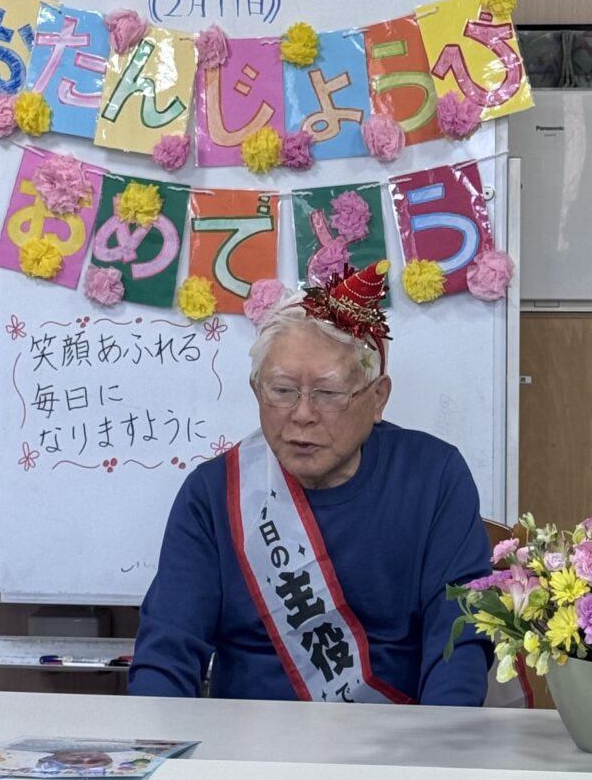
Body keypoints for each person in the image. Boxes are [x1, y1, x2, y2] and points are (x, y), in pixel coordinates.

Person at [129, 260, 493, 705]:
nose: (302, 414)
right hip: (249, 739)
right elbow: (167, 651)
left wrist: (438, 745)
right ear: (257, 389)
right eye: (282, 390)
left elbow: (458, 639)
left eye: (327, 393)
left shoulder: (433, 477)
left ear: (377, 397)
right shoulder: (214, 493)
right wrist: (163, 743)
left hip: (396, 736)